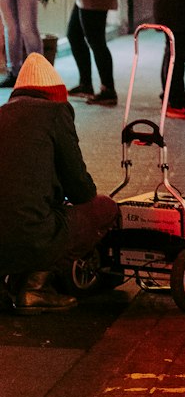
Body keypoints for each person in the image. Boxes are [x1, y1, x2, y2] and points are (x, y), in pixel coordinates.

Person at [0, 54, 119, 312]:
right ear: (56, 95)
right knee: (103, 208)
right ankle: (35, 286)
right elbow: (81, 190)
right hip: (30, 236)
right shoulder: (55, 112)